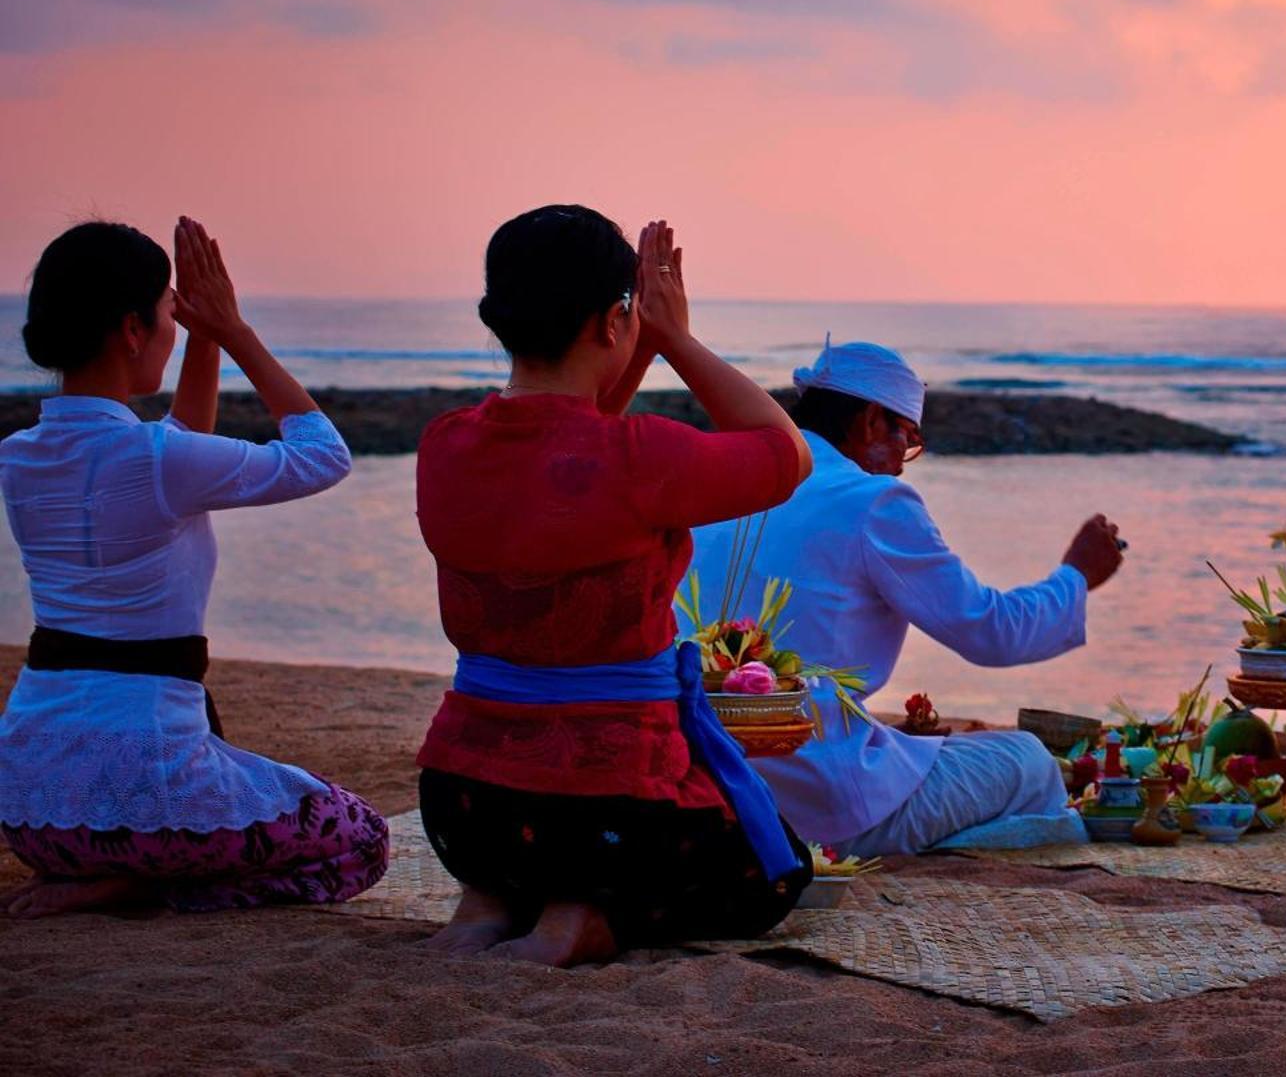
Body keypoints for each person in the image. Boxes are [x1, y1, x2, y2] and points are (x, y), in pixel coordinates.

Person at [413, 206, 815, 967]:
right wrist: (674, 340)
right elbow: (785, 454)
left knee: (524, 839)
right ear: (609, 320)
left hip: (464, 809)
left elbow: (566, 445)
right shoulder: (640, 457)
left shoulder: (445, 444)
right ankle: (578, 920)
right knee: (772, 872)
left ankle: (488, 900)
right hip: (607, 814)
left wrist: (631, 331)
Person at [0, 219, 386, 919]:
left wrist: (203, 335)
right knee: (361, 840)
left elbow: (177, 452)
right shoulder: (157, 461)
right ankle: (149, 886)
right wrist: (235, 331)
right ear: (131, 329)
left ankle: (116, 877)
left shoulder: (20, 456)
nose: (175, 330)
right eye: (170, 316)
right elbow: (322, 454)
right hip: (146, 792)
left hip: (32, 806)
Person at [681, 339, 1125, 858]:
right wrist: (1074, 577)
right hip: (816, 798)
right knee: (1029, 761)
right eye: (908, 440)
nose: (902, 465)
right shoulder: (873, 501)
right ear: (870, 422)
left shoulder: (719, 480)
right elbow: (990, 631)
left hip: (705, 782)